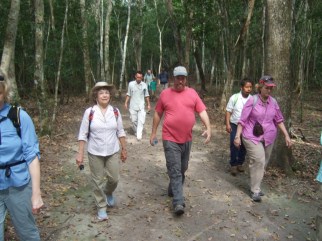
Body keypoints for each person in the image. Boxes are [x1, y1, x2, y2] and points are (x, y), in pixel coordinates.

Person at [150, 66, 211, 216]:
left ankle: (172, 188)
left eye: (183, 77)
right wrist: (153, 133)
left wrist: (208, 128)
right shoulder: (165, 94)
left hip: (187, 139)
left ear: (186, 79)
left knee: (182, 168)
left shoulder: (192, 93)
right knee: (176, 170)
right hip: (169, 138)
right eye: (178, 77)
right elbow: (158, 114)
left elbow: (202, 111)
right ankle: (178, 201)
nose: (180, 80)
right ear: (173, 78)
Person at [234, 75, 292, 202]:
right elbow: (242, 120)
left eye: (271, 88)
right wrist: (237, 136)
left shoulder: (274, 102)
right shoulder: (252, 101)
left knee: (262, 162)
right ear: (260, 87)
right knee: (259, 160)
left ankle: (255, 184)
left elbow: (279, 120)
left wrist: (287, 135)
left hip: (269, 137)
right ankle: (255, 190)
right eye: (267, 88)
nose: (269, 91)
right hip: (251, 136)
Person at [76, 82, 127, 221]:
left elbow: (120, 131)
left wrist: (124, 149)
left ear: (110, 95)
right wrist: (80, 153)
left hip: (112, 150)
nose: (105, 95)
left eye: (107, 92)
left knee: (114, 179)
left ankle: (108, 192)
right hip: (95, 152)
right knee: (97, 181)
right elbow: (83, 133)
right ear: (96, 96)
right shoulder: (90, 112)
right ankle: (101, 207)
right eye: (101, 93)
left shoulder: (115, 112)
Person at [0, 78, 44, 240]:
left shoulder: (19, 117)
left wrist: (36, 193)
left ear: (4, 92)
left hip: (17, 184)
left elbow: (32, 156)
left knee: (26, 232)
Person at [225, 78, 253, 176]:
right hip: (235, 124)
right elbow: (228, 111)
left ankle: (240, 163)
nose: (248, 89)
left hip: (247, 126)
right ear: (242, 87)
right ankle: (233, 164)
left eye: (250, 87)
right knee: (234, 144)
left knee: (244, 145)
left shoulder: (252, 99)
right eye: (246, 87)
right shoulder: (234, 97)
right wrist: (227, 124)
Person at [124, 71, 151, 140]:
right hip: (133, 105)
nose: (139, 78)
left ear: (142, 77)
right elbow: (128, 94)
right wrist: (126, 103)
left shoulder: (144, 85)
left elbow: (147, 95)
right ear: (135, 77)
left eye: (140, 77)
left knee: (141, 121)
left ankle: (139, 135)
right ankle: (136, 131)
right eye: (138, 77)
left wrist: (148, 104)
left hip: (141, 105)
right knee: (133, 120)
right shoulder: (131, 84)